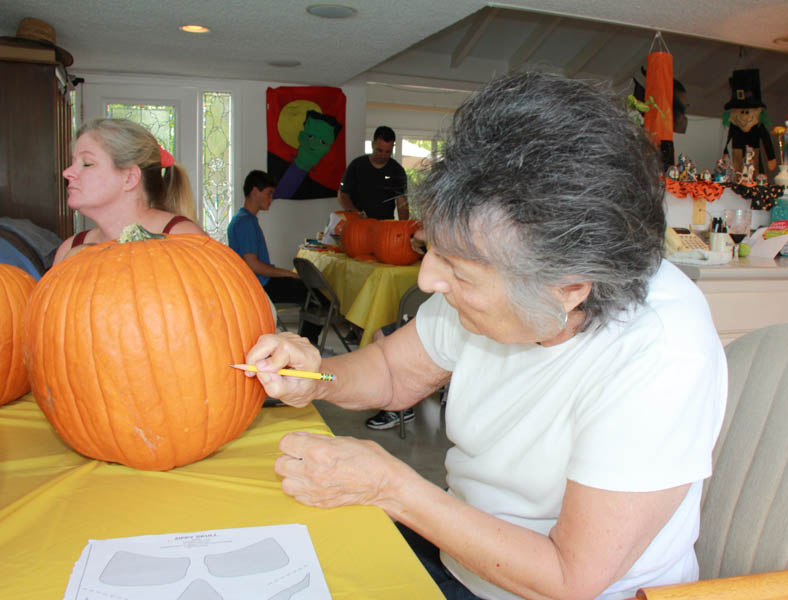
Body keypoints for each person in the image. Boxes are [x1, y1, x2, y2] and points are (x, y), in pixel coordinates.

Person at [244, 72, 727, 600]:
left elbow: (569, 578)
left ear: (567, 290)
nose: (427, 280)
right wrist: (314, 376)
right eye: (432, 250)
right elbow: (391, 371)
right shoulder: (501, 281)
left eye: (458, 269)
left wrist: (392, 488)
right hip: (460, 551)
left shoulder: (661, 352)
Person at [53, 118, 204, 265]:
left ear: (130, 178)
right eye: (72, 162)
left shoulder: (185, 240)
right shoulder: (69, 249)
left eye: (87, 163)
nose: (67, 173)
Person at [228, 170, 322, 342]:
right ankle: (310, 345)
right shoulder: (246, 222)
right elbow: (253, 265)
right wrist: (289, 274)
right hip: (260, 286)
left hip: (257, 283)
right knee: (317, 295)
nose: (271, 199)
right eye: (269, 193)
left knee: (309, 291)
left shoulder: (242, 219)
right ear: (255, 191)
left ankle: (305, 342)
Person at [338, 126, 409, 220]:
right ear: (372, 145)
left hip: (385, 226)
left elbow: (402, 204)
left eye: (388, 152)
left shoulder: (397, 170)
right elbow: (343, 195)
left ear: (393, 147)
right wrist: (356, 214)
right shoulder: (357, 165)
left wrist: (403, 227)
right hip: (358, 223)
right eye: (379, 150)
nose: (383, 155)